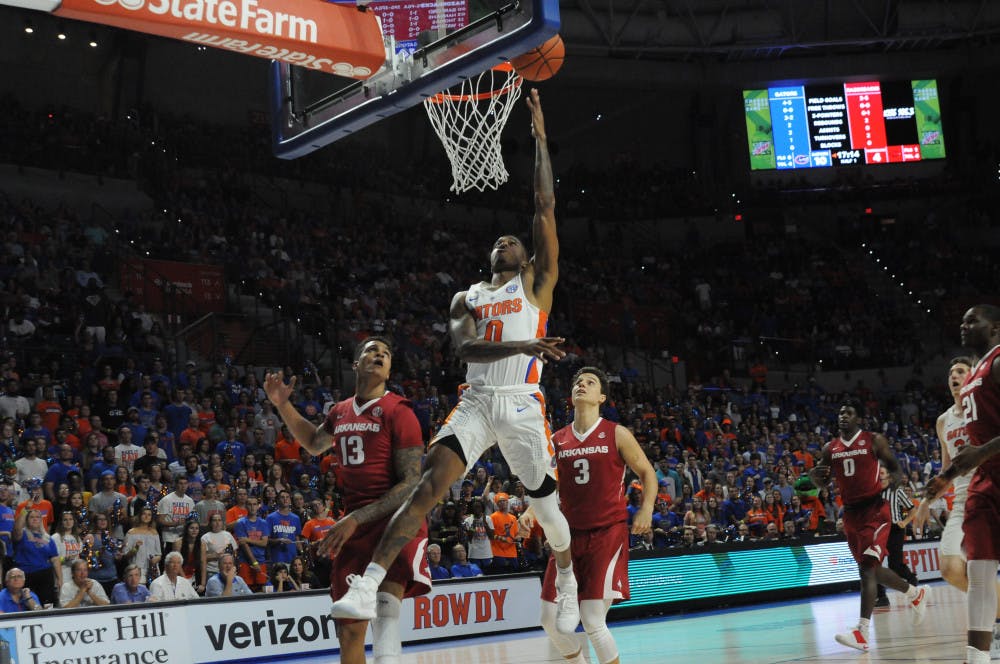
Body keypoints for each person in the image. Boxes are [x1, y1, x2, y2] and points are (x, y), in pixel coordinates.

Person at [330, 89, 581, 636]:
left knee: (545, 510)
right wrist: (522, 347)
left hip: (522, 405)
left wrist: (539, 136)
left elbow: (544, 207)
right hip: (475, 402)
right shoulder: (465, 297)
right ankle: (368, 583)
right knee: (426, 485)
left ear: (525, 256)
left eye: (514, 240)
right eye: (500, 239)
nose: (506, 240)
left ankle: (566, 575)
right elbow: (464, 350)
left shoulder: (536, 284)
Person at [264, 336, 429, 664]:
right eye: (372, 350)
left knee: (385, 613)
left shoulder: (399, 410)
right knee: (350, 631)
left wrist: (355, 518)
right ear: (356, 364)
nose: (380, 355)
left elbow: (412, 483)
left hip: (395, 519)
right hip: (354, 521)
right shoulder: (339, 412)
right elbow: (312, 442)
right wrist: (283, 404)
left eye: (386, 353)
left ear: (390, 368)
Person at [523, 366, 657, 664]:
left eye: (590, 382)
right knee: (548, 619)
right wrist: (531, 511)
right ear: (571, 395)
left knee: (592, 618)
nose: (582, 385)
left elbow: (647, 472)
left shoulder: (616, 433)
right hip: (566, 539)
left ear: (602, 396)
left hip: (606, 534)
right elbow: (548, 484)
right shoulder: (557, 439)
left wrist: (646, 508)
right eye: (578, 382)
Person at [810, 400, 928, 652]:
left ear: (859, 419)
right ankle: (914, 594)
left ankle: (861, 631)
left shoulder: (874, 440)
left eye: (849, 412)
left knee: (866, 569)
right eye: (840, 412)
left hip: (875, 510)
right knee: (871, 569)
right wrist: (815, 480)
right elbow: (822, 481)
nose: (843, 416)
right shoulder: (830, 448)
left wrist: (893, 482)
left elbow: (895, 469)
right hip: (851, 515)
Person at [918, 305, 1000, 663]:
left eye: (973, 321)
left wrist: (981, 452)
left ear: (995, 327)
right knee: (978, 570)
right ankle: (977, 657)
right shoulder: (972, 378)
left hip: (991, 468)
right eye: (962, 320)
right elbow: (966, 451)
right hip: (983, 482)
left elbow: (977, 448)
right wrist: (944, 478)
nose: (964, 325)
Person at [874, 465, 918, 608]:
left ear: (888, 476)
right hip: (878, 531)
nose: (880, 476)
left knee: (895, 565)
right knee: (874, 565)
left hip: (894, 530)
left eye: (882, 473)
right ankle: (881, 597)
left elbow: (912, 509)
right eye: (878, 473)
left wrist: (904, 522)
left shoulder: (897, 491)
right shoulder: (872, 493)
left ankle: (912, 581)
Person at [11, 508, 59, 608]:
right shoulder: (22, 534)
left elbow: (55, 559)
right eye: (31, 517)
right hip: (26, 575)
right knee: (28, 606)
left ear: (41, 520)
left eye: (37, 517)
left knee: (48, 605)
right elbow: (16, 529)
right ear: (26, 520)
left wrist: (59, 579)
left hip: (45, 575)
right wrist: (25, 511)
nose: (35, 519)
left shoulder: (47, 538)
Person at [232, 496, 271, 591]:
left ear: (258, 506)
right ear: (246, 506)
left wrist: (248, 540)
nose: (252, 507)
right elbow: (244, 545)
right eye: (249, 504)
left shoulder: (263, 523)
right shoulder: (240, 523)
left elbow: (264, 543)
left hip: (261, 560)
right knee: (245, 590)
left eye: (254, 504)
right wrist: (254, 562)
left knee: (262, 589)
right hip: (246, 562)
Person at [200, 513, 238, 590]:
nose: (217, 522)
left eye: (219, 520)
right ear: (210, 523)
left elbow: (235, 553)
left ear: (222, 522)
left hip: (228, 571)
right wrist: (216, 556)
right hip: (212, 571)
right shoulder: (205, 537)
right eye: (214, 520)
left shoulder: (228, 535)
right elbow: (202, 558)